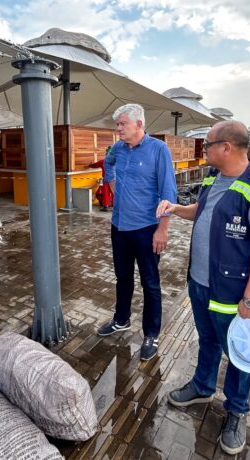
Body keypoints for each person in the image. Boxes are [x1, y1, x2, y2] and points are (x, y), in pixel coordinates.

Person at [156, 121, 250, 454]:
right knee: (208, 338)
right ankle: (202, 385)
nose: (204, 149)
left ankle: (237, 411)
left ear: (226, 147)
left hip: (234, 290)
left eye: (207, 144)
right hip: (200, 281)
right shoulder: (213, 178)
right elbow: (202, 211)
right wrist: (175, 208)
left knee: (240, 352)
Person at [96, 104, 177, 361]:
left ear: (139, 124)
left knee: (150, 283)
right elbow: (107, 164)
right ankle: (121, 320)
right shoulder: (118, 148)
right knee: (123, 278)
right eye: (117, 124)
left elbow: (168, 192)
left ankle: (151, 333)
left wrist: (162, 230)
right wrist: (113, 185)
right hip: (119, 226)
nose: (118, 128)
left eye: (122, 124)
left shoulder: (158, 150)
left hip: (146, 229)